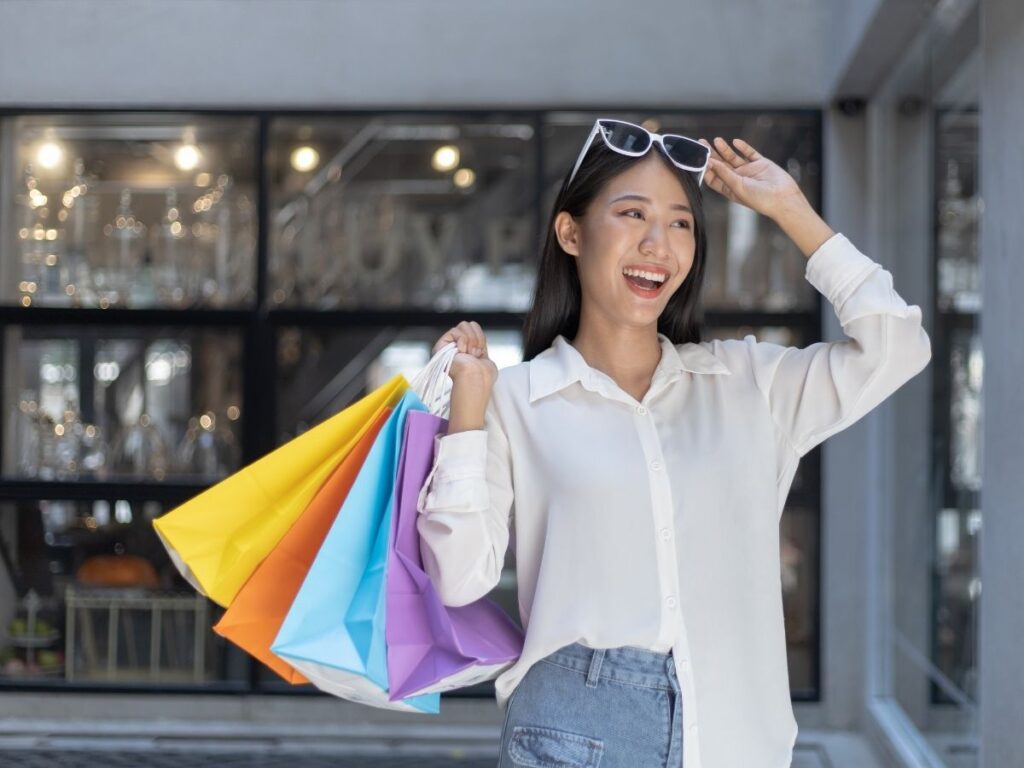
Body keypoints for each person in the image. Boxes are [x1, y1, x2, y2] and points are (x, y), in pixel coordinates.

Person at [415, 119, 932, 768]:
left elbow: (898, 348)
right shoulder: (514, 401)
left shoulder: (749, 384)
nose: (658, 244)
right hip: (573, 731)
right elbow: (461, 579)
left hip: (735, 735)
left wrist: (791, 211)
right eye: (632, 214)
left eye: (681, 223)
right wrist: (465, 415)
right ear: (570, 232)